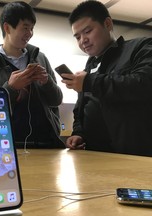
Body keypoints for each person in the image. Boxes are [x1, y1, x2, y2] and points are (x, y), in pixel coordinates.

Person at [62, 1, 152, 156]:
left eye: (88, 31)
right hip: (93, 155)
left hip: (133, 155)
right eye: (77, 37)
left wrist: (89, 82)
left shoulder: (140, 47)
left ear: (108, 24)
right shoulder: (89, 67)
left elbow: (144, 84)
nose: (83, 40)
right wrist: (78, 133)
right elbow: (80, 108)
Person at [0, 1, 64, 149]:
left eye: (32, 28)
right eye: (25, 28)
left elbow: (56, 100)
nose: (30, 34)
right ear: (7, 27)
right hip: (10, 146)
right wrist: (11, 88)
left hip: (48, 142)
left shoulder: (41, 58)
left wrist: (47, 82)